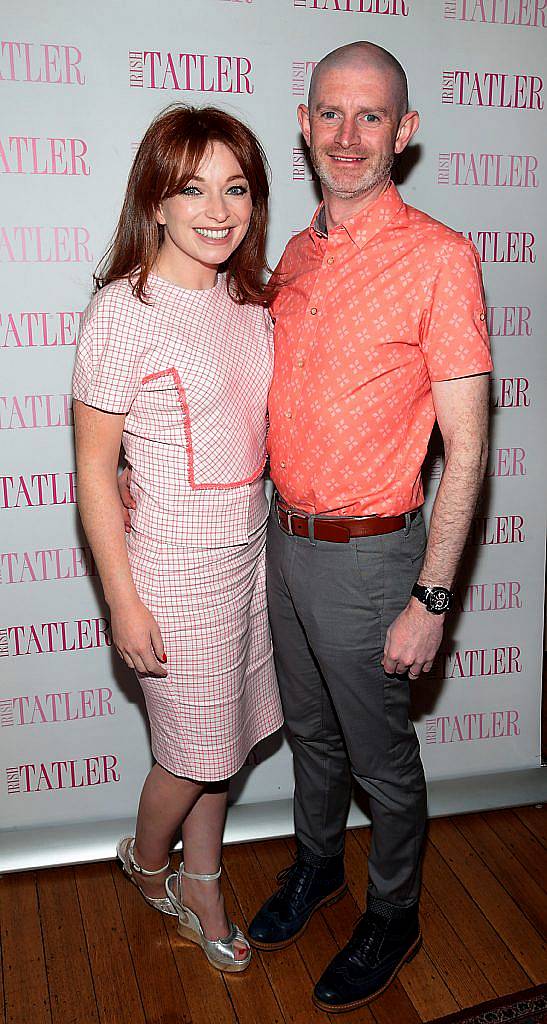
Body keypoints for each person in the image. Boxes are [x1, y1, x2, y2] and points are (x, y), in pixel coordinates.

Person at [246, 41, 492, 1012]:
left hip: (372, 556)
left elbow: (466, 451)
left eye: (371, 117)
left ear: (405, 131)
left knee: (382, 761)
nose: (348, 137)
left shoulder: (441, 257)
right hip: (283, 540)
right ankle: (320, 865)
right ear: (303, 125)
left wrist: (432, 597)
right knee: (310, 734)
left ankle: (395, 911)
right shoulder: (293, 252)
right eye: (330, 115)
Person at [72, 104, 283, 973]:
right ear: (154, 201)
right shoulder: (122, 313)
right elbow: (93, 471)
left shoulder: (249, 300)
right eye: (191, 187)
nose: (217, 208)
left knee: (220, 747)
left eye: (235, 187)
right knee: (189, 756)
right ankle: (151, 864)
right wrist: (123, 601)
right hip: (167, 573)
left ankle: (204, 877)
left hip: (248, 562)